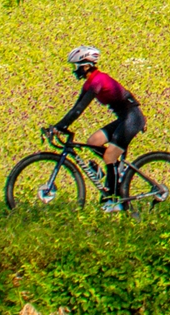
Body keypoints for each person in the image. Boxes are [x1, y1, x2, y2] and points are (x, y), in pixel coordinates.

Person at [52, 46, 144, 200]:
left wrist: (59, 127)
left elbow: (79, 110)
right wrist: (59, 125)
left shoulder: (98, 81)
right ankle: (111, 172)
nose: (74, 70)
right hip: (124, 117)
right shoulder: (89, 83)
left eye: (76, 66)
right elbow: (75, 108)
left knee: (109, 155)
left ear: (87, 66)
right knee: (94, 141)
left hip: (133, 117)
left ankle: (115, 199)